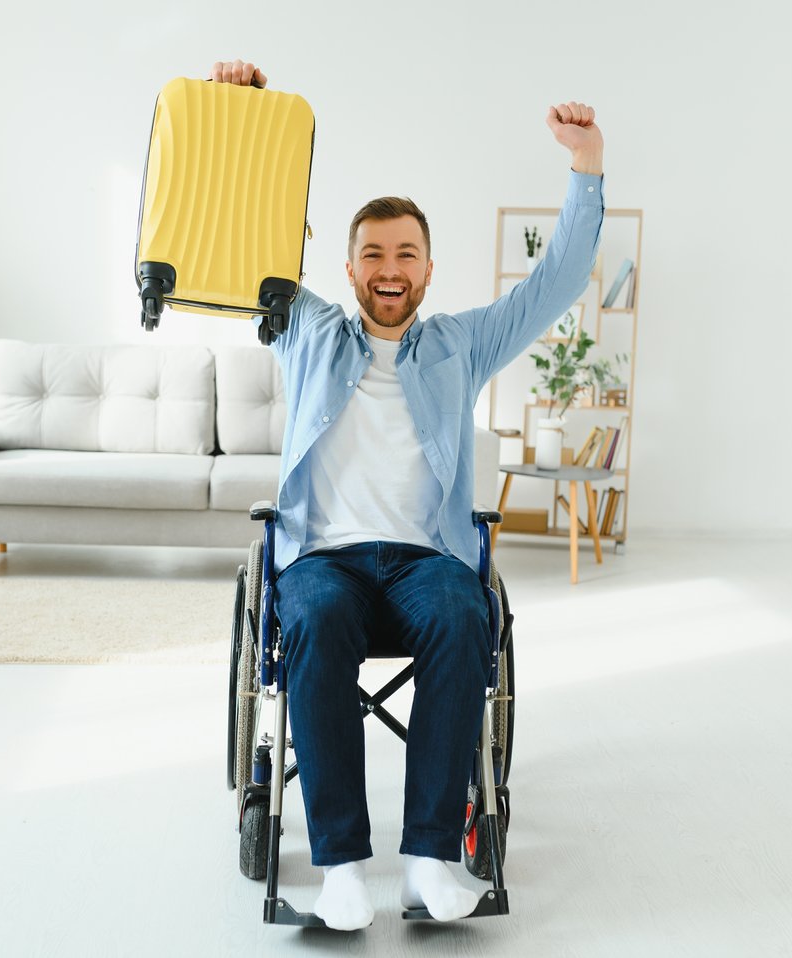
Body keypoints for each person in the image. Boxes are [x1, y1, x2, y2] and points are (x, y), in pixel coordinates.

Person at [210, 59, 605, 930]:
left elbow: (558, 283)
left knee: (466, 614)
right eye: (373, 255)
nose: (390, 269)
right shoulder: (308, 330)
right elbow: (247, 253)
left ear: (428, 269)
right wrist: (239, 117)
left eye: (406, 255)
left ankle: (429, 858)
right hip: (324, 560)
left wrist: (586, 168)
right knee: (308, 618)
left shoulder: (461, 345)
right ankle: (345, 868)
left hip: (425, 559)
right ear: (348, 269)